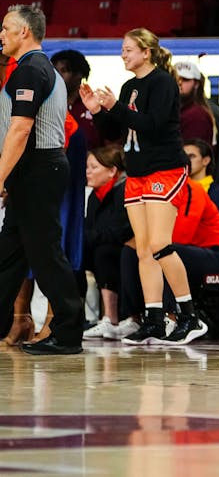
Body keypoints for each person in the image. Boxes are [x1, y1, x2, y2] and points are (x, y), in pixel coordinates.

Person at [80, 28, 207, 345]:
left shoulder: (163, 81)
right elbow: (116, 131)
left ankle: (190, 316)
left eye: (128, 49)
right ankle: (153, 318)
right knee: (144, 248)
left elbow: (154, 123)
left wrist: (117, 108)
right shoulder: (128, 86)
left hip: (164, 168)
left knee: (162, 245)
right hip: (137, 172)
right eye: (122, 50)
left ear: (146, 52)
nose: (123, 54)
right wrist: (98, 110)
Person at [0, 4, 85, 355]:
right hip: (33, 168)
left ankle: (68, 332)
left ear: (25, 32)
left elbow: (21, 130)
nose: (1, 34)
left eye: (6, 28)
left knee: (45, 253)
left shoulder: (32, 71)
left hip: (38, 167)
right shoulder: (32, 68)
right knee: (8, 255)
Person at [119, 179, 219, 322]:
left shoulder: (191, 189)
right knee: (130, 251)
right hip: (190, 252)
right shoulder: (153, 190)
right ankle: (134, 318)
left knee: (164, 252)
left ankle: (170, 317)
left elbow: (180, 236)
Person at [81, 145, 136, 341]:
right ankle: (77, 316)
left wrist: (87, 238)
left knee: (104, 252)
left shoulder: (125, 189)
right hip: (104, 244)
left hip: (129, 247)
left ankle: (112, 318)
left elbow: (121, 229)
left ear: (112, 170)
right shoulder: (95, 195)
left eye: (94, 167)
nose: (88, 172)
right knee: (74, 254)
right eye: (87, 167)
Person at [51, 49, 104, 150]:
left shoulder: (97, 107)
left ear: (79, 74)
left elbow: (111, 146)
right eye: (55, 71)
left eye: (64, 71)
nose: (57, 77)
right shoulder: (46, 105)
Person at [174, 60, 215, 148]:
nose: (179, 83)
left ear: (196, 84)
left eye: (185, 79)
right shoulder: (175, 111)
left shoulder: (196, 115)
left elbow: (192, 154)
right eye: (175, 79)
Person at [183, 138, 219, 214]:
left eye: (191, 156)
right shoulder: (177, 187)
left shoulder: (215, 192)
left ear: (206, 161)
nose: (186, 160)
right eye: (183, 156)